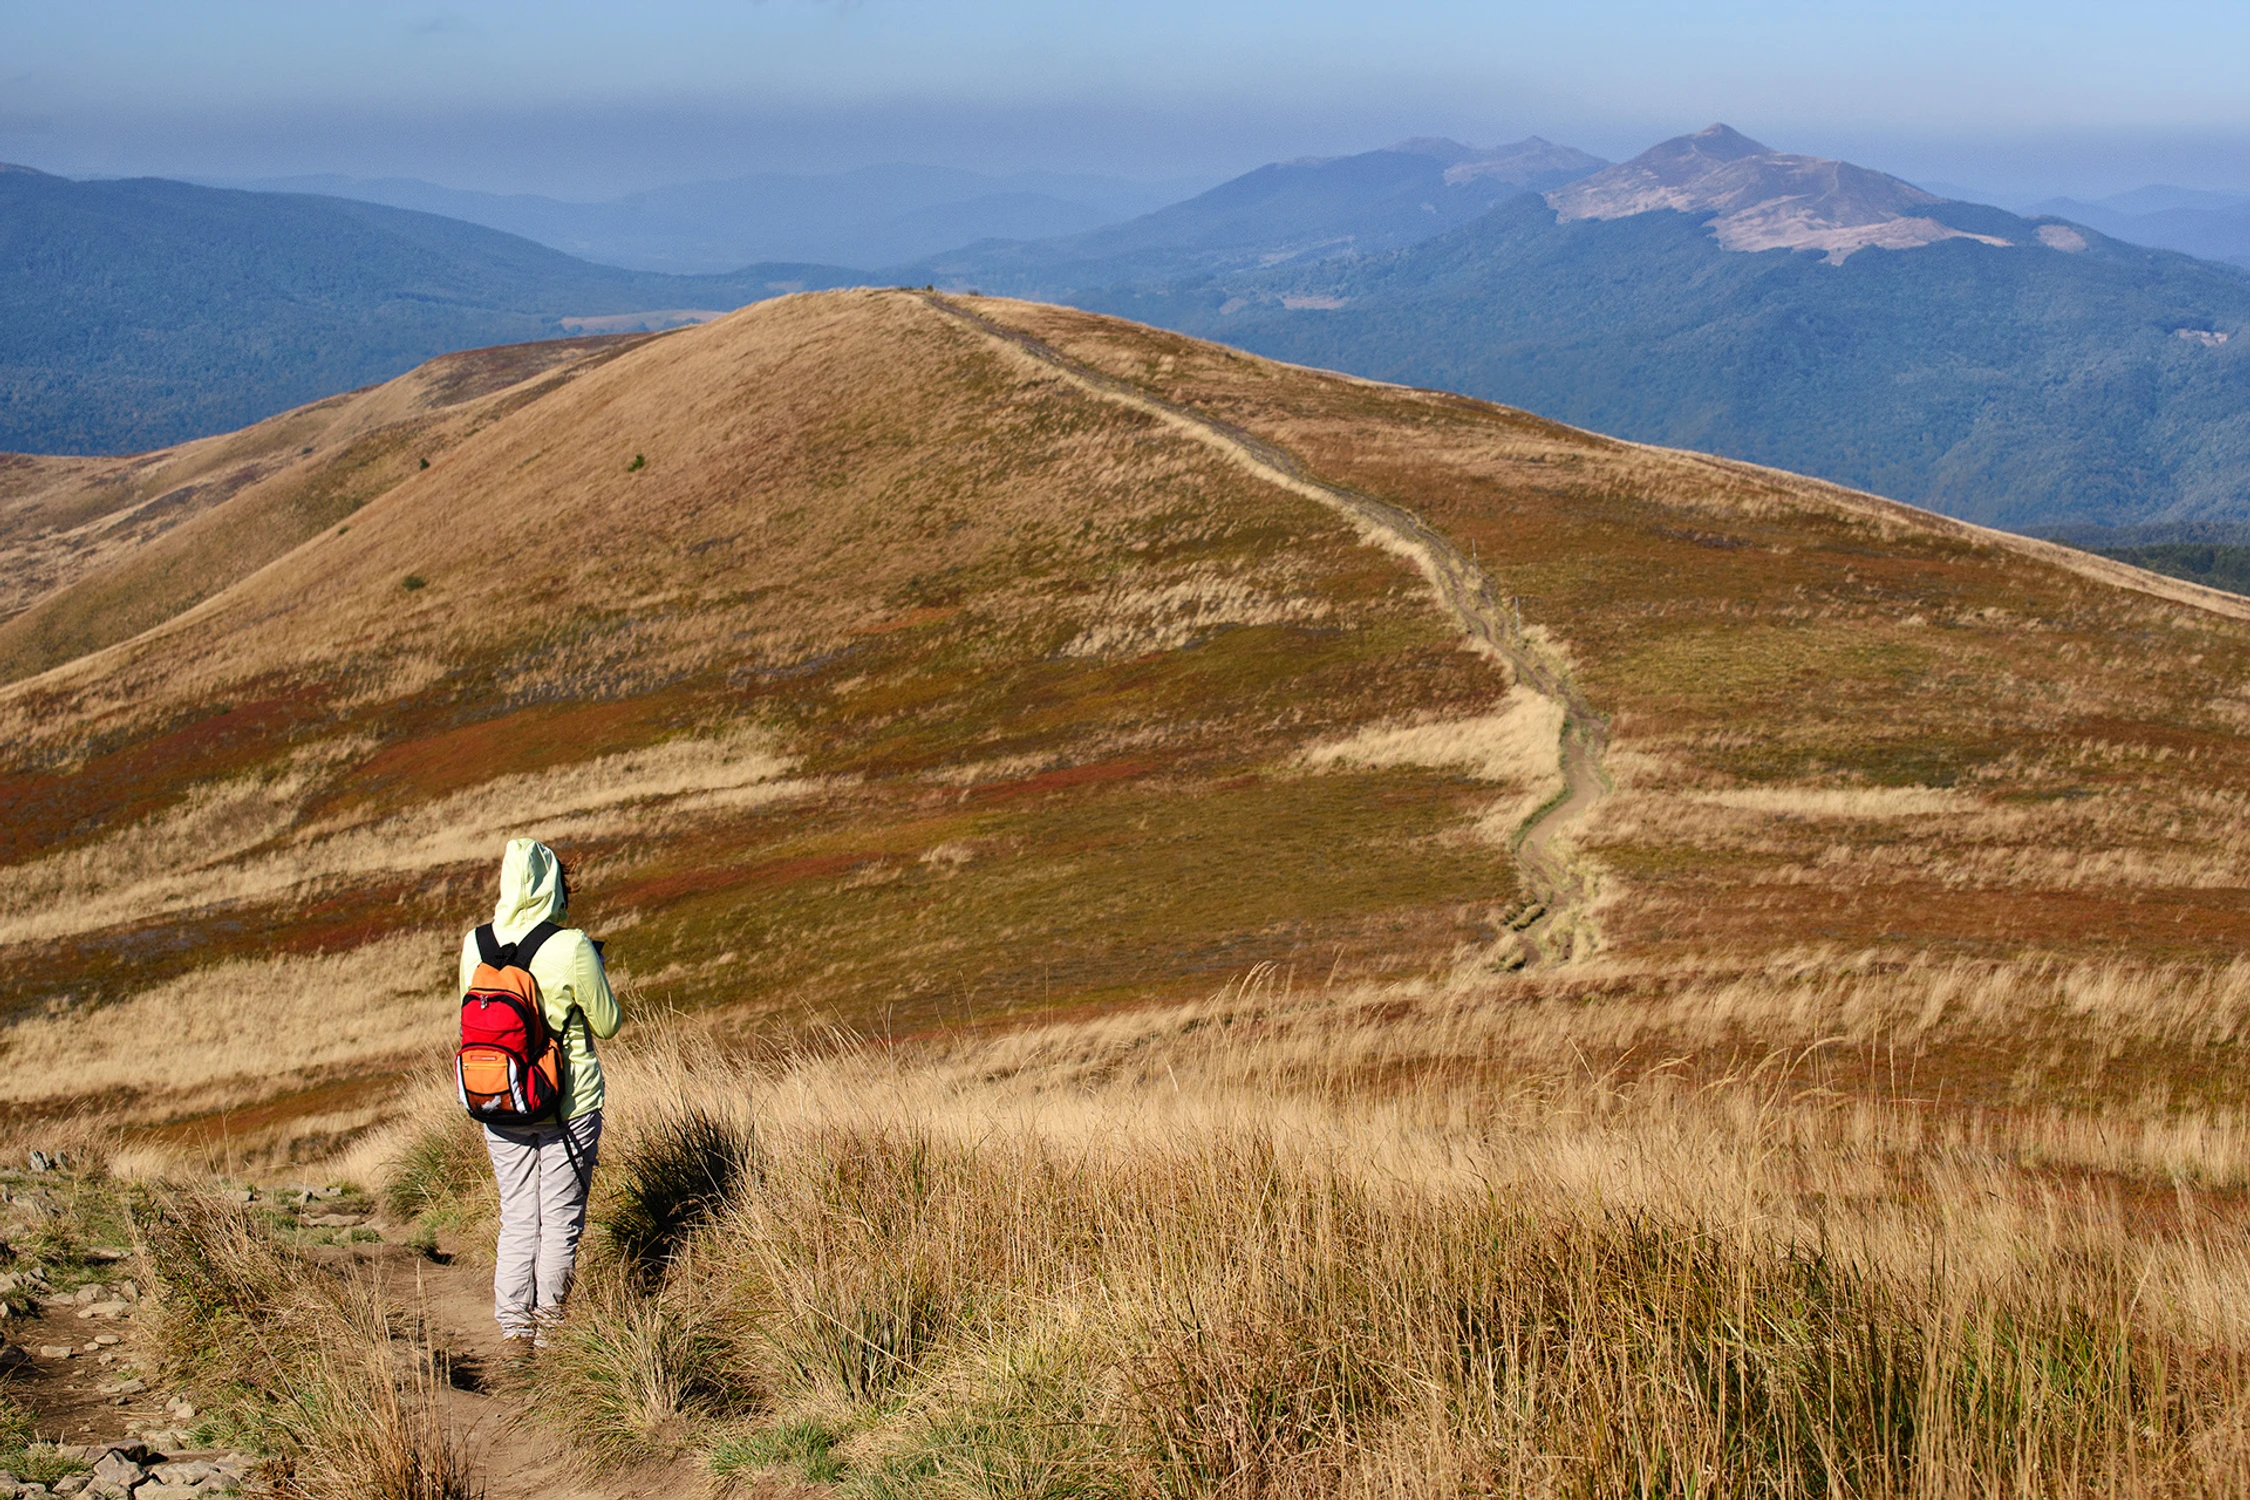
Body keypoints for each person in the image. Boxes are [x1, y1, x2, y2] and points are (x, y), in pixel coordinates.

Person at [459, 837, 623, 1348]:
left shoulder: (475, 942)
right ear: (552, 884)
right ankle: (551, 1338)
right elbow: (610, 1023)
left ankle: (512, 1335)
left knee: (517, 1219)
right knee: (559, 1224)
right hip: (567, 1104)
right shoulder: (569, 946)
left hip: (498, 1098)